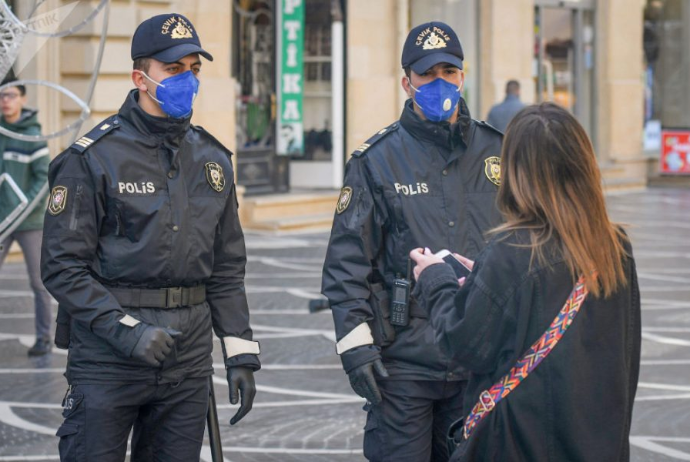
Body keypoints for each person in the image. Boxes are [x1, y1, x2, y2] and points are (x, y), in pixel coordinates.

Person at [41, 13, 260, 461]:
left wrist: (239, 350)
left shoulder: (212, 159)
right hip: (108, 358)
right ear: (141, 77)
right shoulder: (93, 159)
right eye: (174, 69)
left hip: (187, 358)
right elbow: (62, 267)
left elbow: (226, 265)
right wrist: (127, 331)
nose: (188, 79)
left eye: (194, 69)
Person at [410, 103, 641, 461]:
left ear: (517, 171)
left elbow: (463, 342)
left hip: (522, 445)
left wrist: (435, 278)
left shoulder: (515, 250)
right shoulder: (615, 246)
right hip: (598, 441)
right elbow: (626, 354)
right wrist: (482, 282)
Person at [322, 21, 504, 462]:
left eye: (449, 71)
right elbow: (346, 267)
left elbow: (523, 250)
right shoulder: (376, 161)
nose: (439, 82)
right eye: (427, 74)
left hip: (477, 363)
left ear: (463, 76)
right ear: (407, 82)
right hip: (402, 368)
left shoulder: (499, 151)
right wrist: (357, 349)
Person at [0, 78, 52, 356]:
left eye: (10, 95)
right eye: (1, 96)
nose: (5, 100)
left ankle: (44, 338)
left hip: (30, 222)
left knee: (38, 282)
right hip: (1, 222)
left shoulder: (34, 135)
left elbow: (43, 180)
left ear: (22, 98)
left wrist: (21, 209)